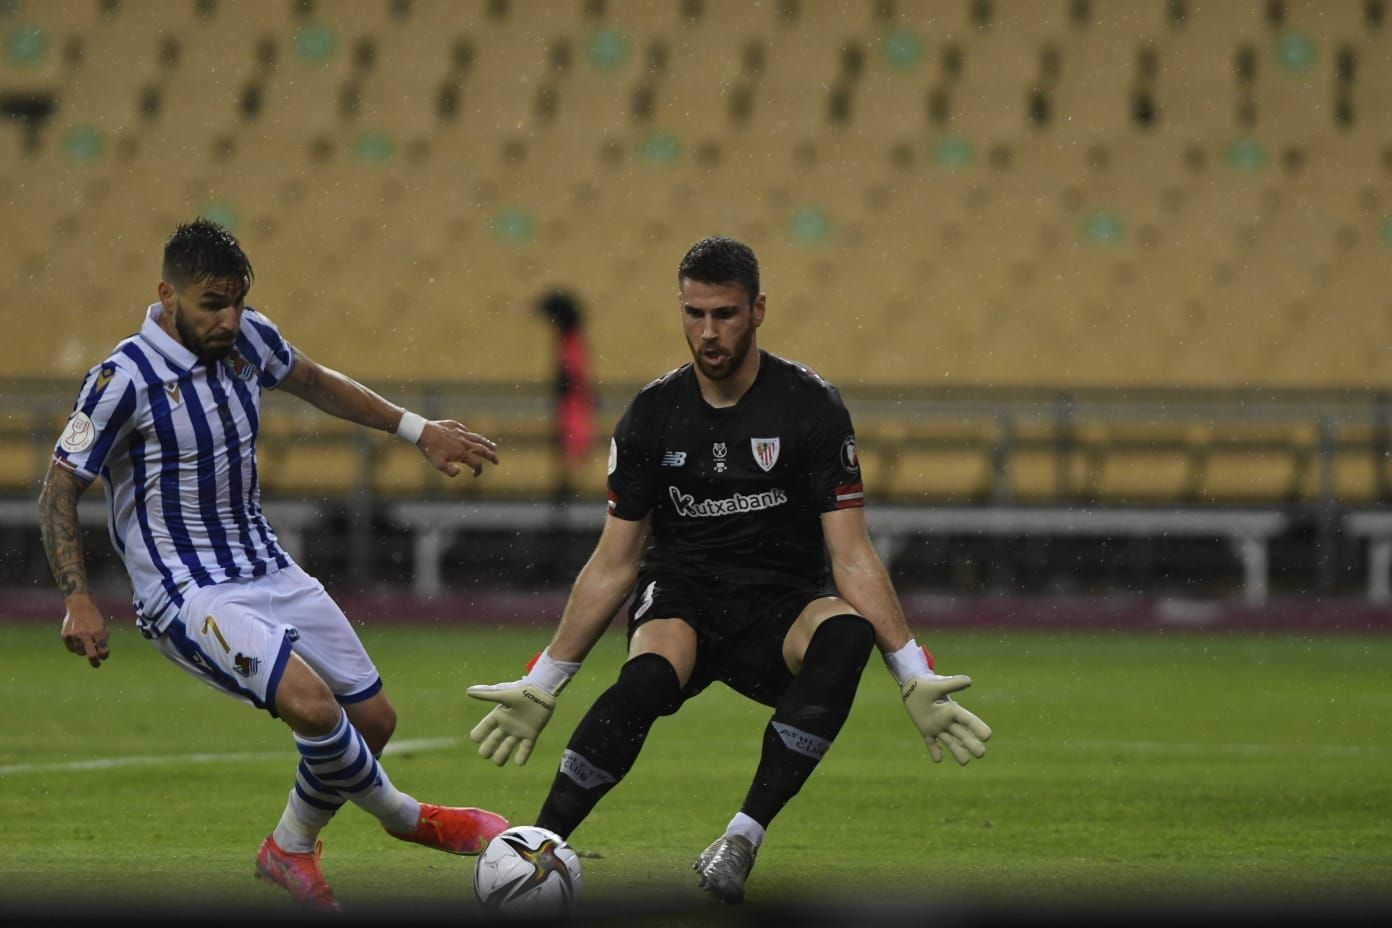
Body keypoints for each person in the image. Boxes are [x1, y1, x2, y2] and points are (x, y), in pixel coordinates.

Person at [466, 236, 992, 905]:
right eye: (694, 314)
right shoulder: (652, 416)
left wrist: (910, 669)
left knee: (846, 634)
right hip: (683, 594)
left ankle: (741, 837)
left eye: (725, 314)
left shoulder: (810, 407)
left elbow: (852, 553)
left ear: (759, 310)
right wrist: (545, 681)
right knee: (649, 676)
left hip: (782, 602)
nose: (708, 332)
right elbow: (614, 562)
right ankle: (536, 849)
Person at [37, 218, 509, 912]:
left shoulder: (249, 337)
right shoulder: (121, 378)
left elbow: (315, 380)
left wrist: (418, 431)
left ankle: (288, 849)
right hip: (188, 590)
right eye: (211, 304)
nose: (229, 319)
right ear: (167, 295)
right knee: (314, 708)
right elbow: (58, 485)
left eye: (236, 301)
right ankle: (409, 818)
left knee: (373, 721)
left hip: (266, 566)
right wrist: (76, 597)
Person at [536, 289, 598, 500]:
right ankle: (568, 489)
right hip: (574, 401)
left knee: (571, 442)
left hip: (573, 402)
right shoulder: (571, 340)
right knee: (571, 443)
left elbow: (573, 373)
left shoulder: (570, 342)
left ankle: (568, 489)